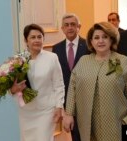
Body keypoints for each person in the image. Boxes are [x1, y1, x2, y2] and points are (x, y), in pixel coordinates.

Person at [63, 22, 127, 141]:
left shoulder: (122, 60)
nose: (100, 41)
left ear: (111, 40)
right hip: (87, 120)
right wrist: (69, 113)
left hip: (115, 118)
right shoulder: (83, 61)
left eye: (105, 37)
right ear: (91, 41)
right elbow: (72, 88)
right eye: (96, 38)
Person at [10, 23, 65, 141]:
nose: (37, 40)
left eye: (39, 37)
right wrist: (13, 89)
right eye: (33, 37)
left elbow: (59, 84)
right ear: (26, 40)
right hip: (26, 111)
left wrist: (59, 106)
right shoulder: (18, 60)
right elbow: (12, 87)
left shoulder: (52, 57)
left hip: (46, 110)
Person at [52, 13, 89, 141]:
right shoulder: (56, 48)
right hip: (67, 98)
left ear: (79, 27)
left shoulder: (89, 45)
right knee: (75, 133)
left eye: (73, 24)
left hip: (86, 97)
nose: (70, 28)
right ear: (62, 28)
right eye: (66, 25)